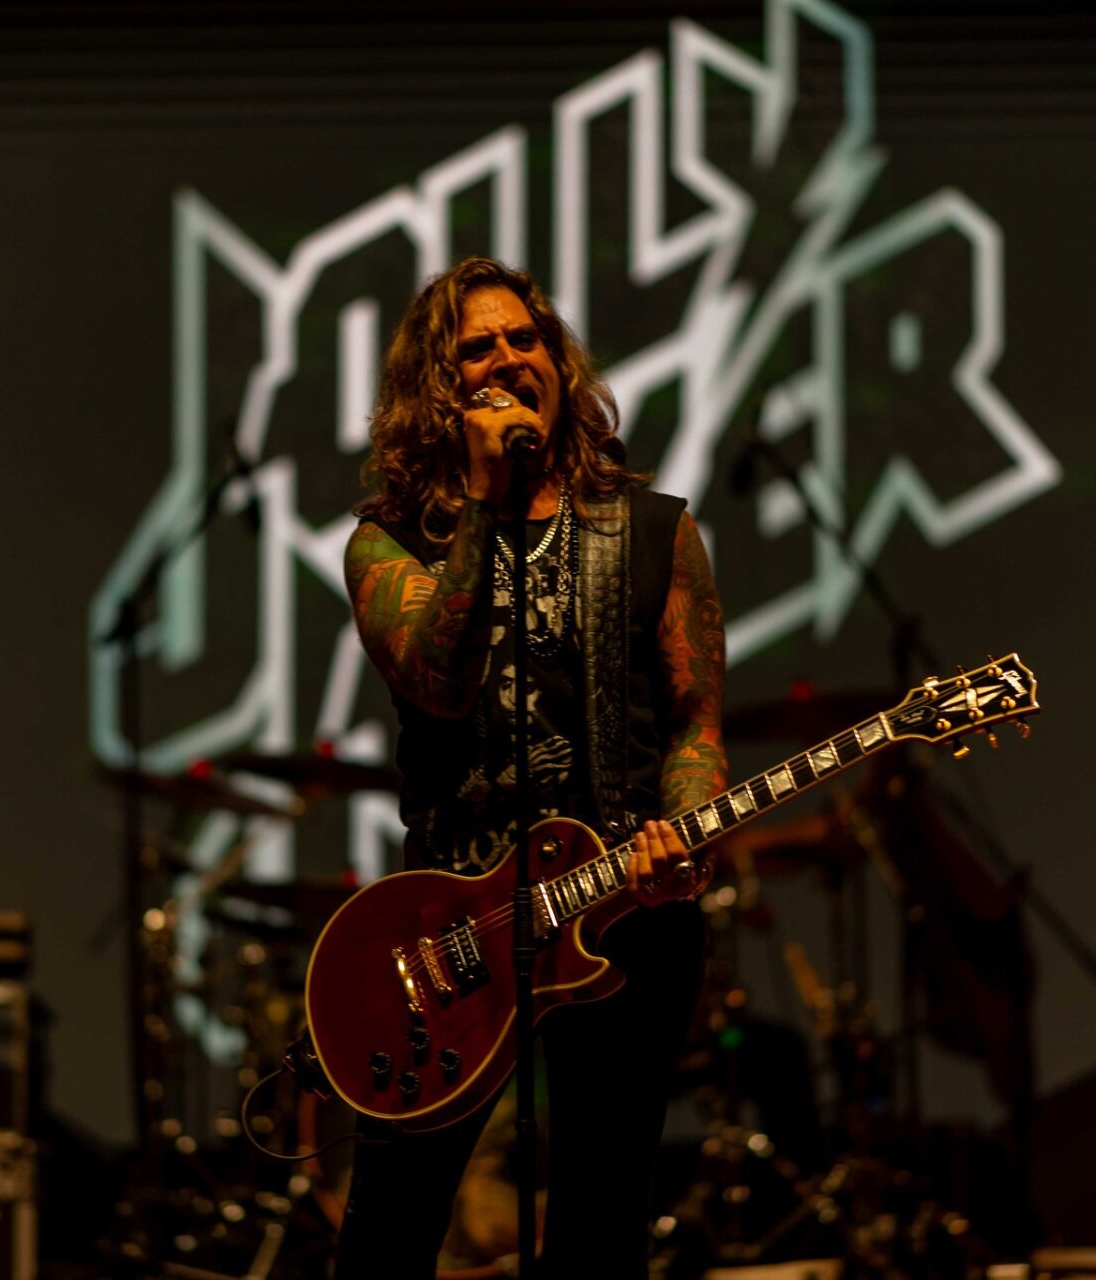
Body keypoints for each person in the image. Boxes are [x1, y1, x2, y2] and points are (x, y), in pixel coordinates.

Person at [336, 257, 728, 1278]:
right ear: (438, 389)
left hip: (623, 918)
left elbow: (693, 725)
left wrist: (686, 839)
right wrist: (484, 499)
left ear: (558, 363)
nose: (510, 358)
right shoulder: (387, 546)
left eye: (526, 338)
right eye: (479, 348)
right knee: (387, 1236)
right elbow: (437, 682)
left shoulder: (657, 531)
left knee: (600, 1236)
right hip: (451, 933)